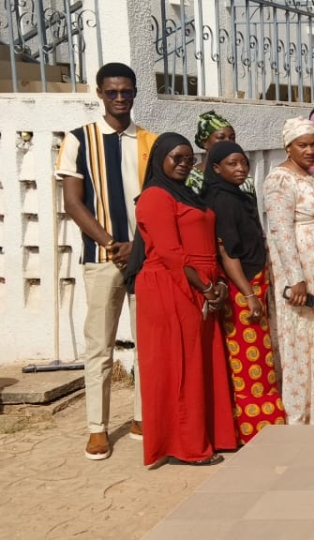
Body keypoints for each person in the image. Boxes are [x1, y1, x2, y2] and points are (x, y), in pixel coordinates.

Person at [57, 62, 156, 461]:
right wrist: (113, 242)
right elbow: (72, 202)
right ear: (99, 93)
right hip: (102, 257)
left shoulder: (150, 140)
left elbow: (159, 201)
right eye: (112, 91)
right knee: (100, 345)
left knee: (147, 341)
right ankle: (97, 428)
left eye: (126, 91)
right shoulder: (79, 139)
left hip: (146, 256)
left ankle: (141, 416)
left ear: (134, 93)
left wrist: (138, 243)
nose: (119, 98)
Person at [129, 133, 237, 466]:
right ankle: (187, 446)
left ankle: (211, 435)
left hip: (201, 283)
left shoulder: (189, 193)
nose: (183, 164)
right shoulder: (155, 197)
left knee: (204, 362)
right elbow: (170, 252)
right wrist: (206, 289)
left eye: (189, 159)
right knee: (181, 365)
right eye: (177, 157)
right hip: (171, 285)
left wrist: (216, 282)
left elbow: (208, 242)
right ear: (159, 158)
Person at [202, 141, 287, 444]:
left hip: (252, 283)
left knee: (261, 358)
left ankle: (265, 421)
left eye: (243, 163)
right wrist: (249, 294)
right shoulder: (221, 201)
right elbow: (228, 253)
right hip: (242, 289)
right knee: (250, 362)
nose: (240, 170)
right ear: (215, 168)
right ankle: (254, 427)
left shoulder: (235, 196)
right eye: (231, 164)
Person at [262, 118, 314, 425]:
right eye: (303, 145)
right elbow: (281, 231)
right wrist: (296, 278)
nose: (311, 150)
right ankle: (302, 412)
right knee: (302, 338)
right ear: (288, 146)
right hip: (303, 267)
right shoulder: (280, 180)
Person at [187, 110, 247, 195]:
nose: (228, 142)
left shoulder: (241, 176)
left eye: (232, 137)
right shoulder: (193, 177)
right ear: (205, 143)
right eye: (221, 137)